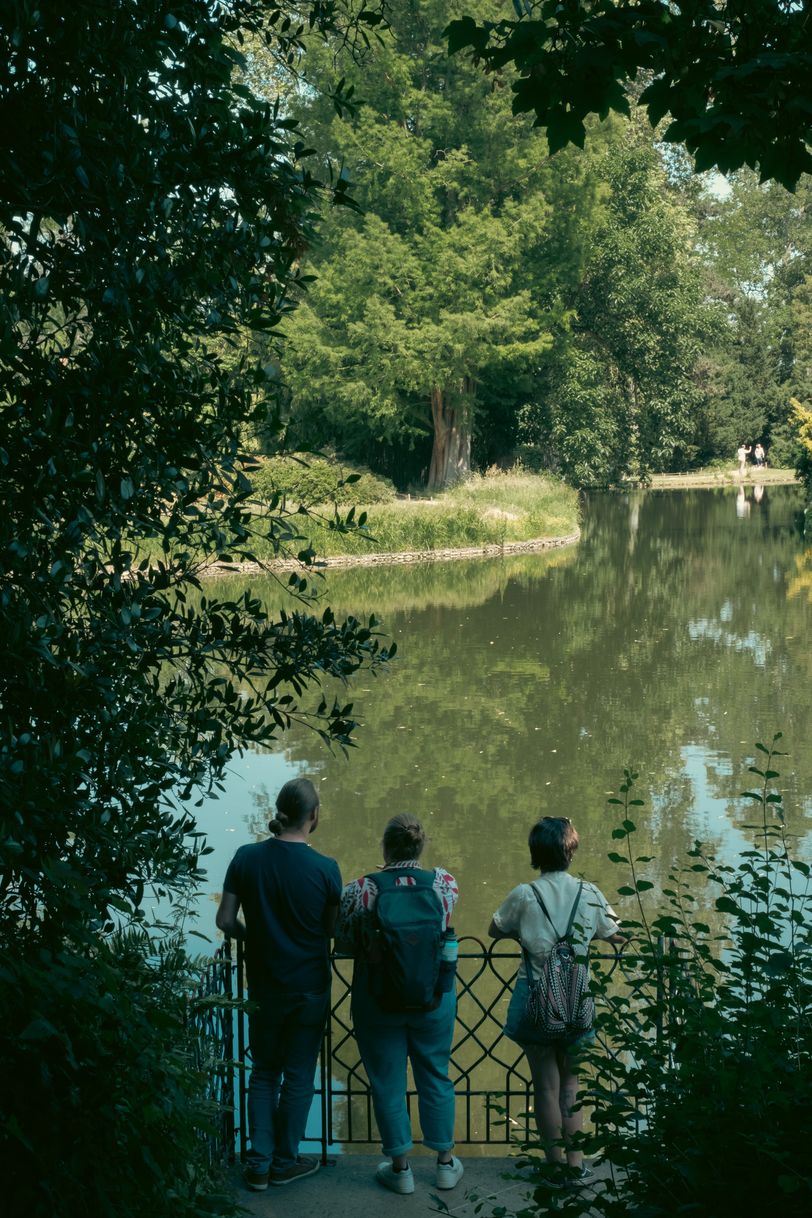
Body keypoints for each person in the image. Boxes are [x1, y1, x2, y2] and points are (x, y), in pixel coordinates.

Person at [216, 777, 341, 1191]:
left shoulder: (246, 858)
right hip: (309, 987)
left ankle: (258, 1165)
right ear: (314, 816)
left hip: (265, 986)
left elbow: (225, 921)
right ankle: (286, 1161)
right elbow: (331, 931)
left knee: (264, 1074)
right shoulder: (326, 869)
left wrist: (255, 936)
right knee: (299, 1075)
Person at [489, 817, 624, 1187]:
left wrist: (527, 933)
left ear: (536, 855)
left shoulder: (524, 894)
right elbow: (616, 935)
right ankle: (577, 1165)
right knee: (571, 1086)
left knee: (545, 1087)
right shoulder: (590, 893)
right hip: (577, 1000)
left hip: (536, 1001)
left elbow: (495, 929)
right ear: (571, 852)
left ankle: (553, 1166)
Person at [336, 813, 463, 1195]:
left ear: (385, 848)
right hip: (433, 997)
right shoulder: (444, 884)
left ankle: (401, 1169)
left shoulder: (359, 890)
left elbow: (342, 941)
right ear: (420, 847)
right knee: (435, 1075)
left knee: (387, 1082)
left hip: (377, 1001)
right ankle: (444, 1165)